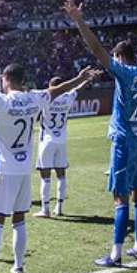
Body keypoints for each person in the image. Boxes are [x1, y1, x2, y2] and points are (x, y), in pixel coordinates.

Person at [0, 64, 99, 273]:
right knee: (19, 220)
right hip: (23, 169)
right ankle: (18, 269)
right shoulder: (34, 98)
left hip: (3, 169)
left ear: (6, 78)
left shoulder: (1, 101)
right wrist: (79, 78)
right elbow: (59, 90)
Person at [64, 1, 137, 267]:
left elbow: (97, 50)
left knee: (120, 197)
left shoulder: (124, 72)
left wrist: (79, 21)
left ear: (119, 58)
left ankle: (116, 254)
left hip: (123, 141)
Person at [34, 72, 93, 217]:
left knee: (45, 176)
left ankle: (45, 209)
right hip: (61, 141)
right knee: (61, 175)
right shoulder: (68, 97)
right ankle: (59, 208)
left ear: (51, 87)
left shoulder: (46, 97)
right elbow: (78, 89)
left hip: (46, 141)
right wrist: (87, 79)